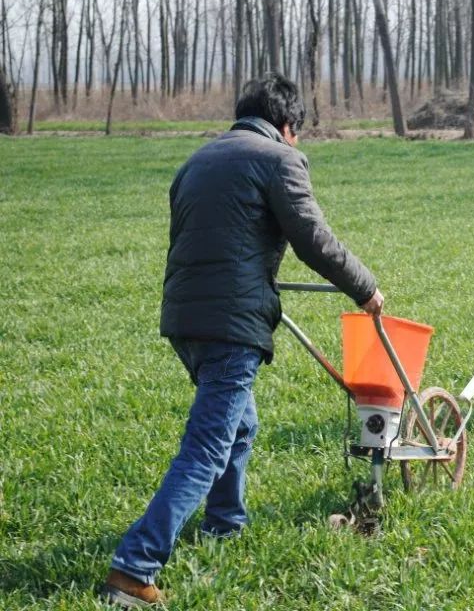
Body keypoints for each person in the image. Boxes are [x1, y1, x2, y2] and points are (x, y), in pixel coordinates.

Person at [101, 74, 384, 608]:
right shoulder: (279, 159)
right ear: (287, 125)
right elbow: (313, 239)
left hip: (184, 319)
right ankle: (134, 568)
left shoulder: (195, 162)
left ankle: (224, 524)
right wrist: (365, 287)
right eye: (298, 131)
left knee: (240, 424)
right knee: (208, 446)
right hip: (230, 325)